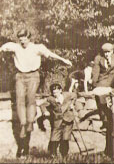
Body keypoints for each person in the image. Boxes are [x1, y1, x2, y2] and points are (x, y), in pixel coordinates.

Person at [0, 29, 72, 157]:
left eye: (24, 38)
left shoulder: (37, 48)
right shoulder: (15, 47)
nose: (22, 40)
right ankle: (24, 127)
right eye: (20, 38)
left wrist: (63, 60)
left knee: (30, 99)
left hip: (33, 76)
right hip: (20, 76)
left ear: (29, 38)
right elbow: (4, 47)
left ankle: (29, 123)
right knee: (20, 100)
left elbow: (50, 54)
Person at [91, 42, 114, 157]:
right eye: (105, 52)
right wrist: (94, 84)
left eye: (108, 52)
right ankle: (104, 116)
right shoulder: (98, 58)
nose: (106, 54)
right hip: (102, 82)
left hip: (113, 83)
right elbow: (95, 72)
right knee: (102, 105)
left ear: (113, 51)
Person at [39, 83, 77, 157]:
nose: (55, 94)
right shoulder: (51, 99)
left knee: (65, 138)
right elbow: (42, 105)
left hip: (68, 119)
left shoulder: (67, 95)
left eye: (57, 92)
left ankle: (64, 155)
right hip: (57, 120)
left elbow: (75, 95)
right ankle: (53, 154)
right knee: (54, 138)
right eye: (54, 93)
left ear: (60, 90)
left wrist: (72, 104)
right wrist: (45, 111)